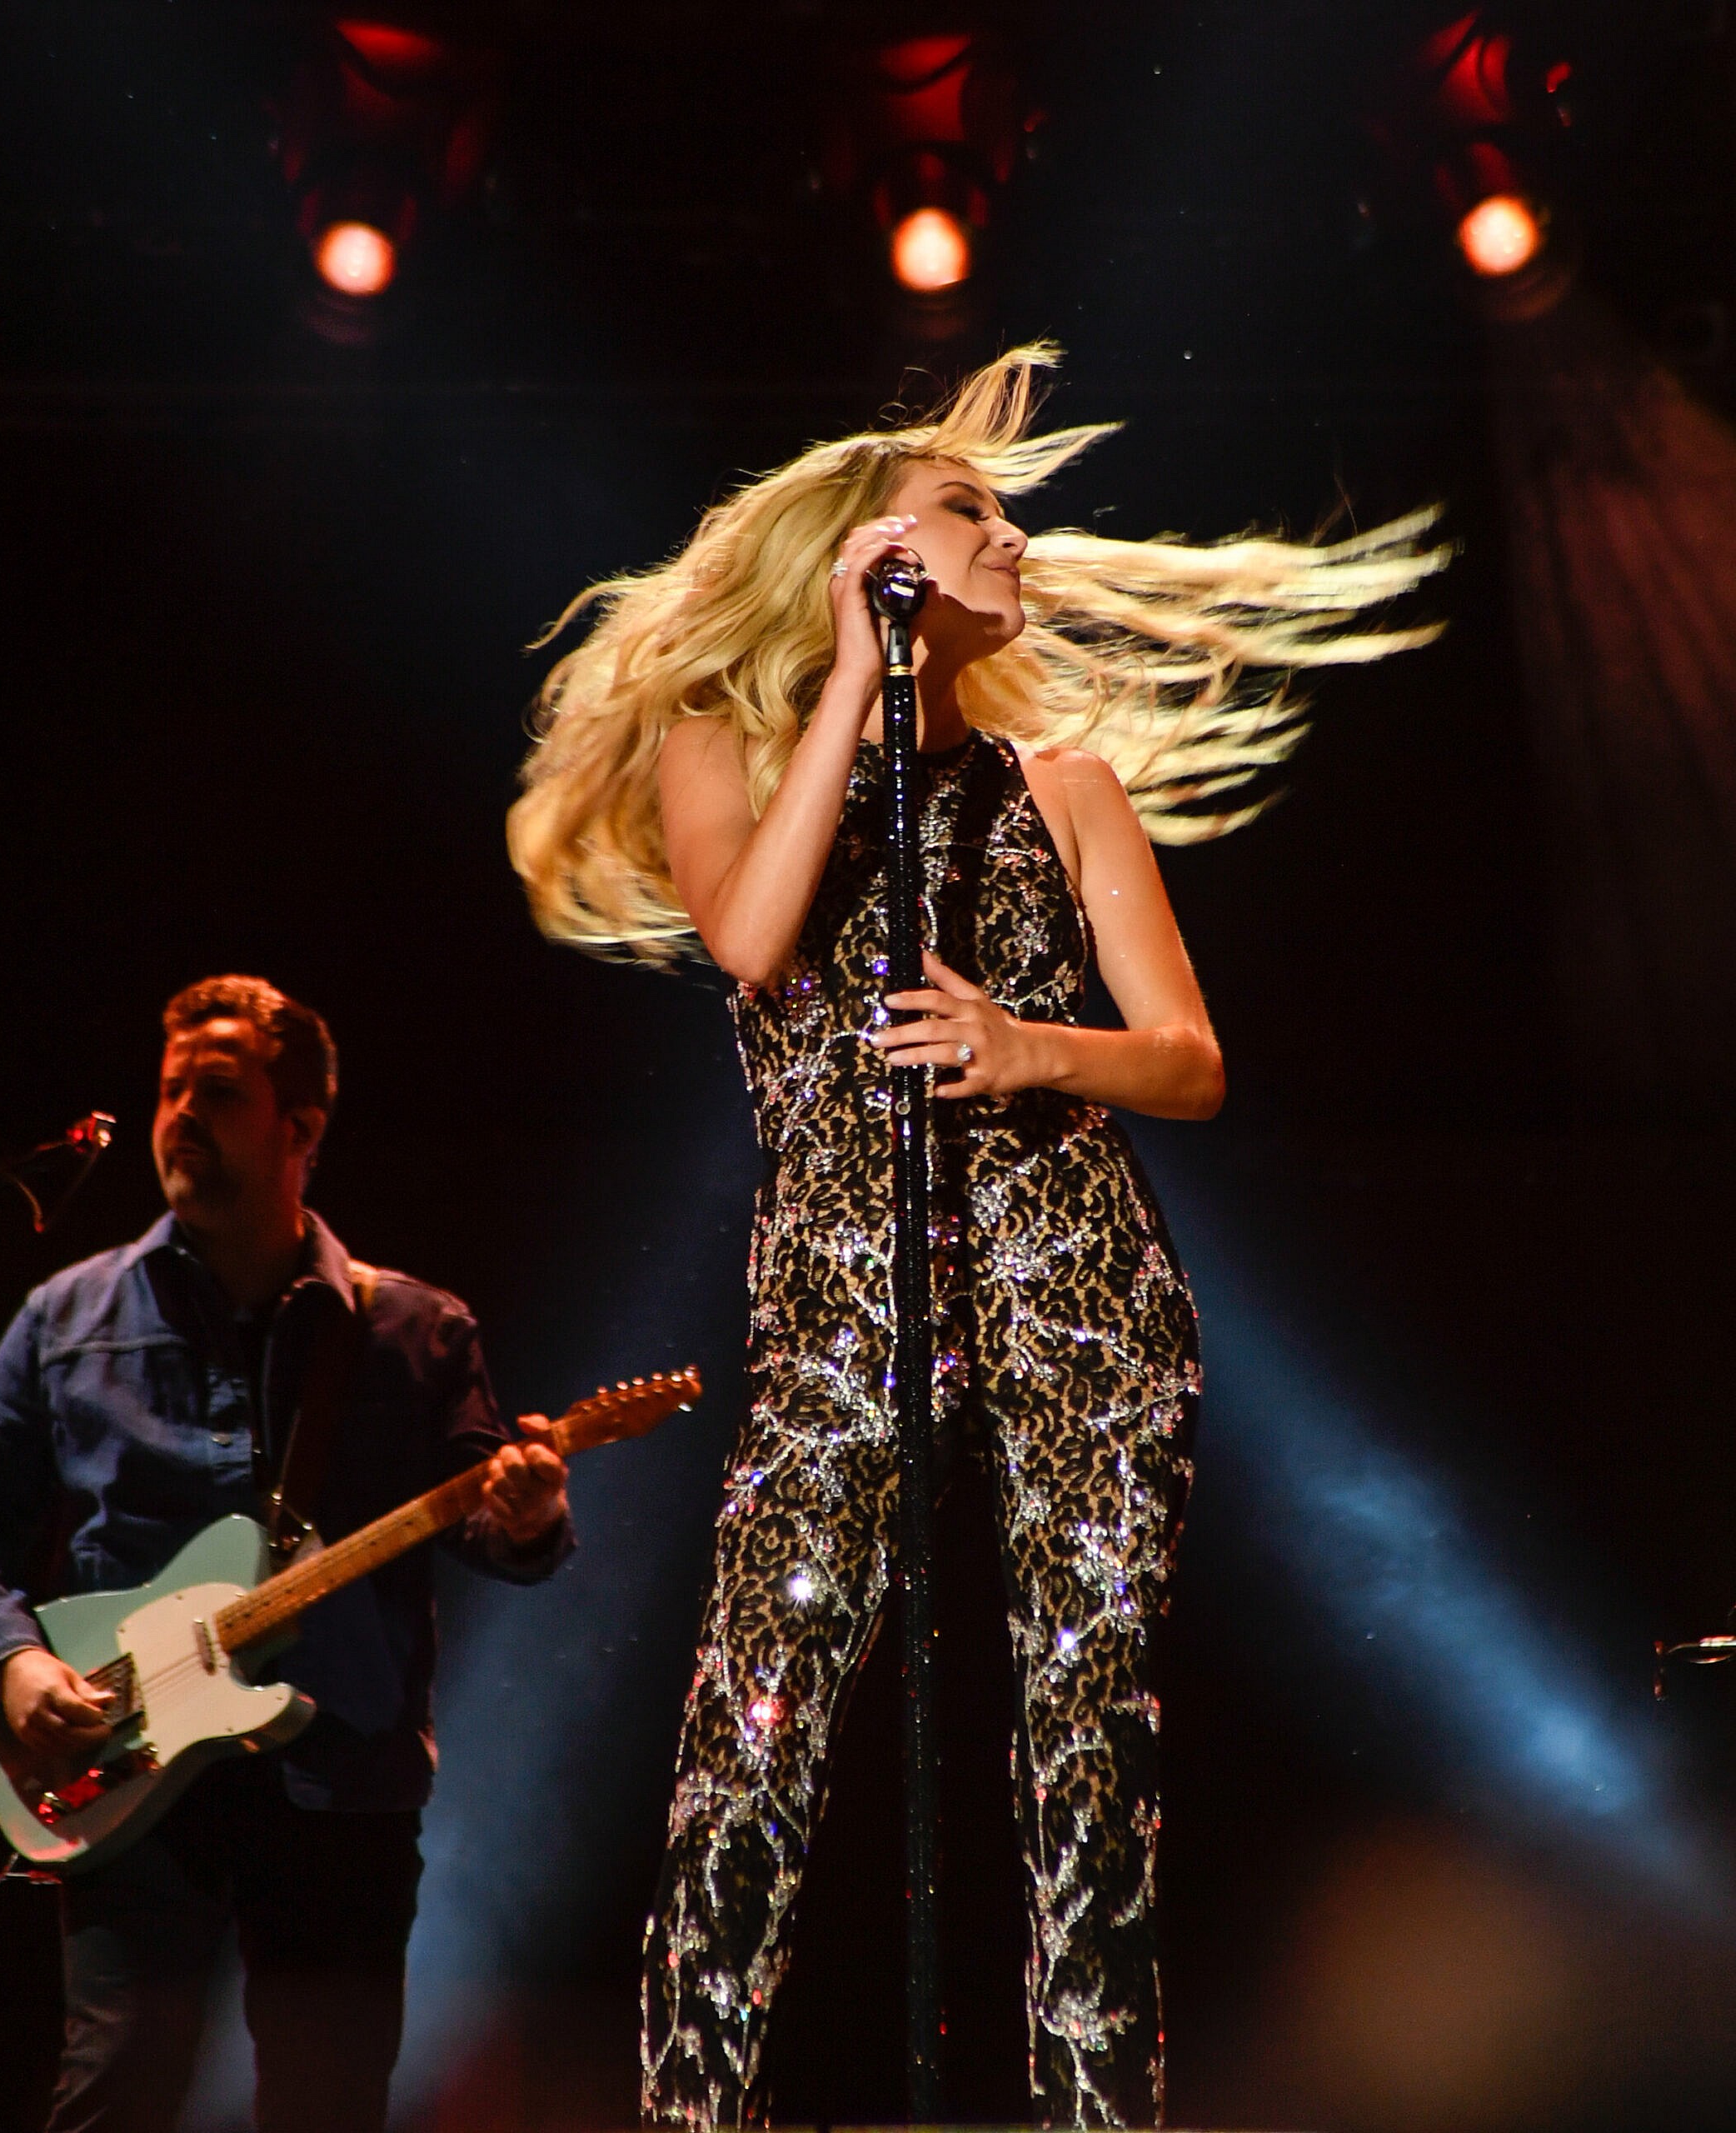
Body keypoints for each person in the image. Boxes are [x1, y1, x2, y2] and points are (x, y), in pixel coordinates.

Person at [507, 345, 1444, 2129]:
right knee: (753, 1733)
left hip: (1069, 1277)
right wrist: (853, 682)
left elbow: (1189, 1058)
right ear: (868, 557)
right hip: (839, 1302)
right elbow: (756, 943)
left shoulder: (1065, 784)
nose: (1013, 537)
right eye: (971, 510)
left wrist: (1028, 1046)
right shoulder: (728, 745)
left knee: (1083, 1746)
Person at [0, 975, 573, 2133]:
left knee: (327, 2107)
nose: (175, 1118)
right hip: (129, 1777)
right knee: (113, 2095)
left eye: (214, 1093)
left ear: (301, 1128)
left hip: (344, 1783)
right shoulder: (69, 1318)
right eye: (168, 1091)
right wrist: (13, 1668)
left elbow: (492, 1533)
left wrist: (524, 1517)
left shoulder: (418, 1331)